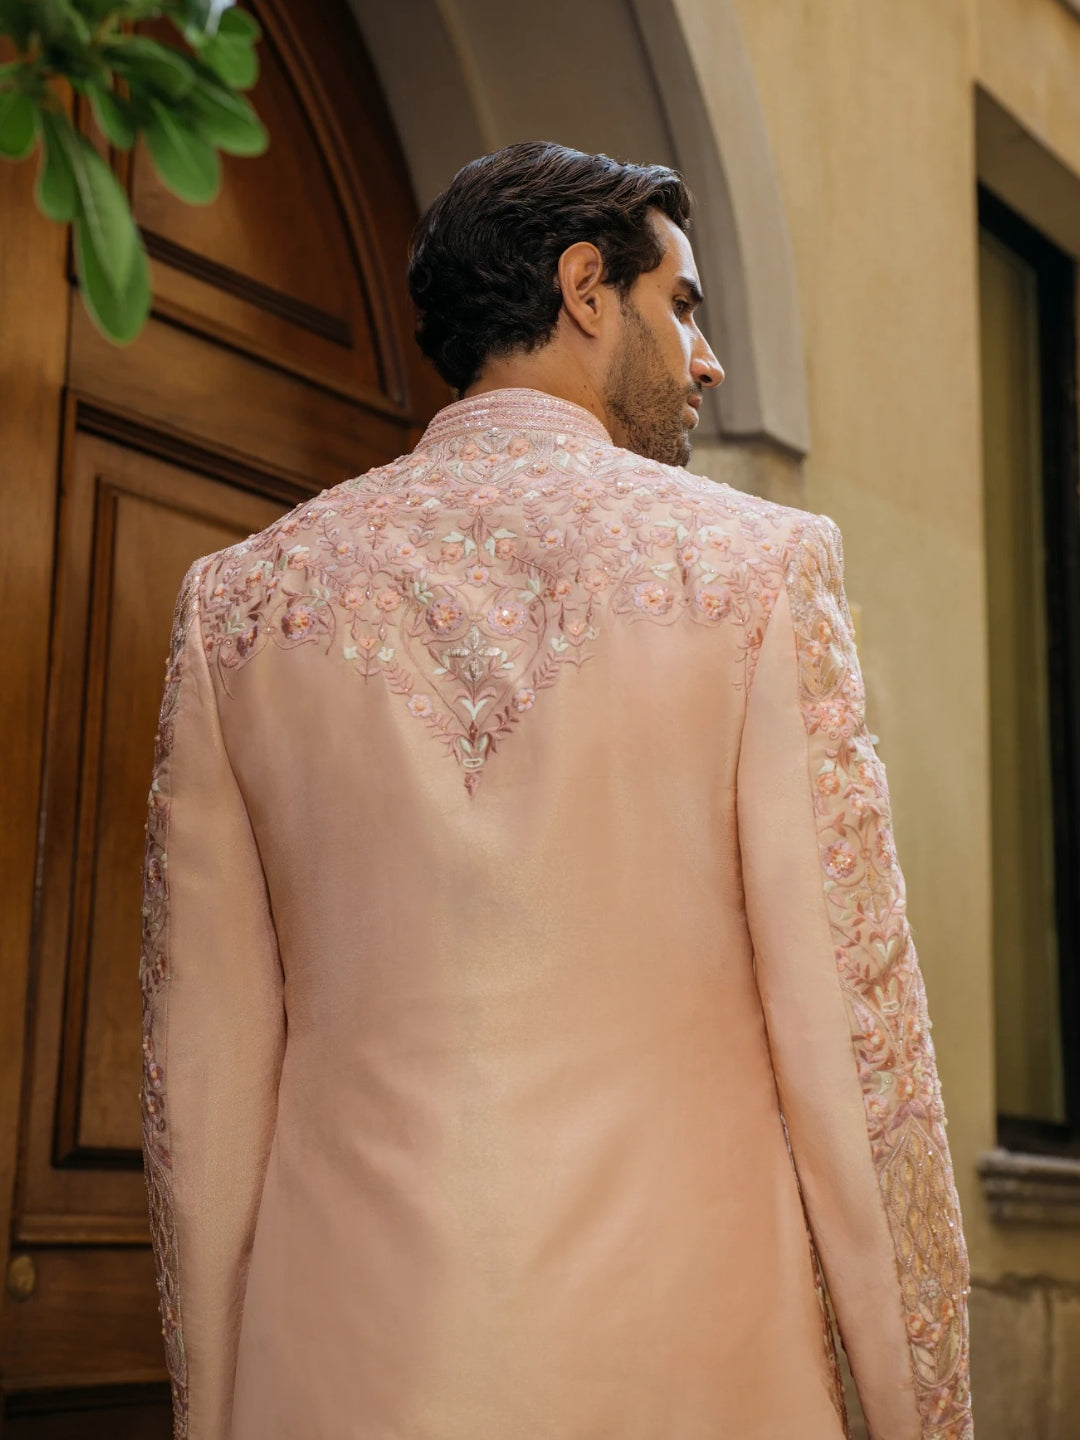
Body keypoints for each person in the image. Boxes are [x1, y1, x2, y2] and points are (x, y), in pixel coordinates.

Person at [139, 140, 973, 1440]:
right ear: (587, 289)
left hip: (340, 1377)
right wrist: (924, 1411)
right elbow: (857, 1053)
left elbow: (200, 1100)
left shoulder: (236, 607)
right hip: (688, 1379)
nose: (706, 359)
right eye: (682, 305)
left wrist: (214, 1413)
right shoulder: (759, 572)